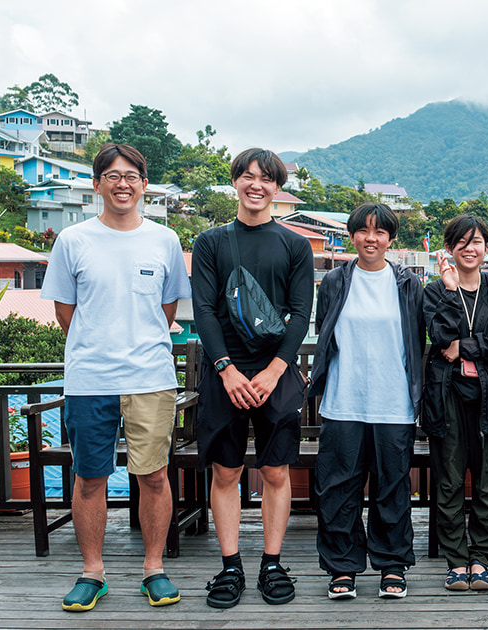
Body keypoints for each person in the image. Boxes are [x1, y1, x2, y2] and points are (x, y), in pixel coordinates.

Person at [41, 143, 192, 612]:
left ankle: (153, 569)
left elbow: (166, 310)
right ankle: (93, 572)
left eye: (132, 175)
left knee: (154, 475)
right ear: (96, 183)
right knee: (90, 477)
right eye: (112, 175)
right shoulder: (73, 241)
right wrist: (98, 345)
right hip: (90, 379)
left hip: (150, 376)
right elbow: (66, 311)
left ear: (145, 185)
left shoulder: (164, 239)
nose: (122, 183)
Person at [191, 147, 314, 608]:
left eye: (265, 178)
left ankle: (272, 563)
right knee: (226, 470)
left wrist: (274, 371)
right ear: (235, 183)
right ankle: (229, 567)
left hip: (276, 374)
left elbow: (302, 312)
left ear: (277, 187)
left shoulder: (295, 245)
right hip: (225, 373)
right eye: (247, 176)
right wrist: (224, 369)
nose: (255, 184)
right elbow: (203, 310)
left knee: (276, 470)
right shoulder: (212, 242)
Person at [309, 203, 424, 600]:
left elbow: (419, 339)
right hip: (344, 401)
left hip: (395, 403)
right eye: (363, 231)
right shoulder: (337, 281)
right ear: (352, 236)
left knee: (392, 487)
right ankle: (342, 567)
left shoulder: (407, 284)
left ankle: (392, 565)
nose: (370, 238)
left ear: (391, 239)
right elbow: (326, 333)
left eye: (379, 232)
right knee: (338, 488)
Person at [422, 215, 488, 592]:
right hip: (446, 397)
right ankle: (456, 562)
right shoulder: (434, 291)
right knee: (448, 481)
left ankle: (481, 560)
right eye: (461, 242)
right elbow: (439, 335)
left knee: (486, 483)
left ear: (485, 247)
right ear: (449, 249)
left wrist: (465, 346)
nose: (469, 248)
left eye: (476, 241)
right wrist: (449, 290)